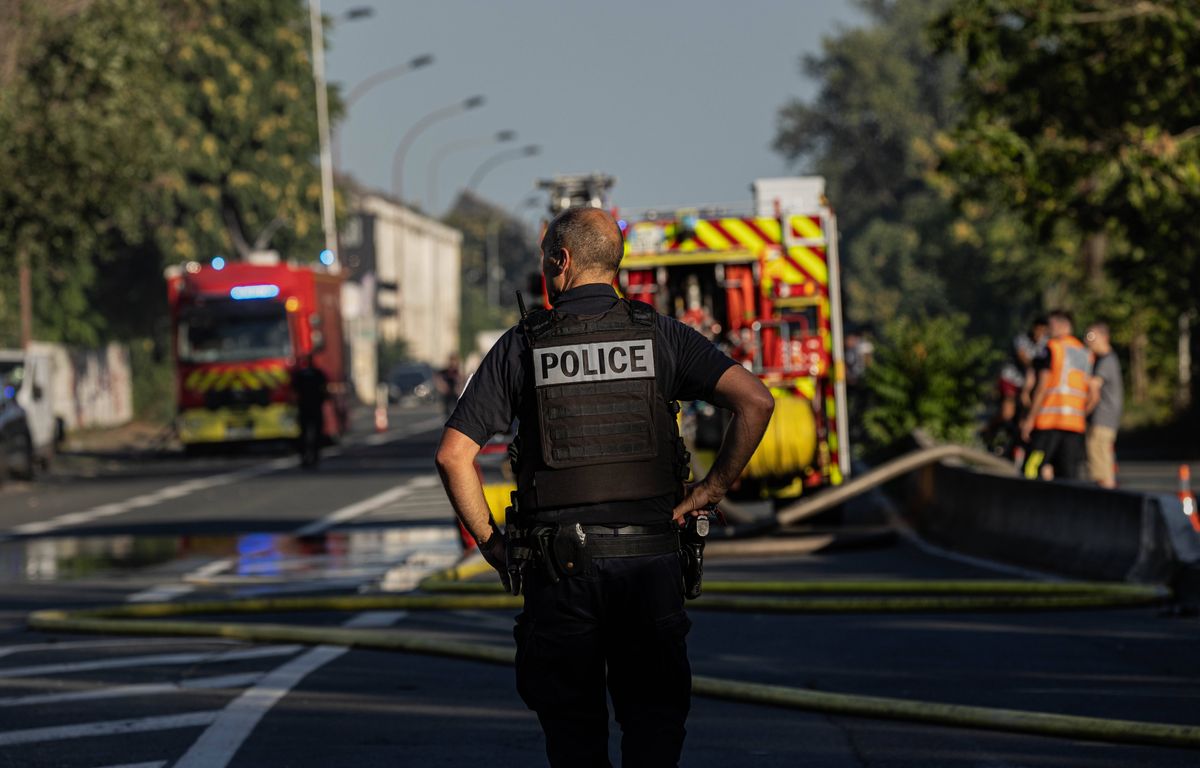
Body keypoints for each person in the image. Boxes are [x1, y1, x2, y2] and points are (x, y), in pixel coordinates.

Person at [434, 206, 774, 767]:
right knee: (654, 729)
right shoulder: (662, 336)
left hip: (558, 572)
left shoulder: (522, 347)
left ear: (561, 261)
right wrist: (712, 489)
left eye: (546, 259)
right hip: (651, 563)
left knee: (574, 738)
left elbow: (454, 455)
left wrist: (492, 545)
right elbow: (755, 401)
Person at [1020, 310, 1093, 481]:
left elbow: (1042, 387)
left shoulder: (1053, 348)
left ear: (1063, 325)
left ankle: (1030, 503)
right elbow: (1091, 392)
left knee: (1031, 468)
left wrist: (1030, 419)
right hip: (1075, 424)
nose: (1047, 330)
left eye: (1050, 326)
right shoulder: (1084, 353)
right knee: (1068, 476)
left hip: (1049, 421)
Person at [1085, 322, 1123, 488]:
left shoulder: (1106, 361)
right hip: (1107, 418)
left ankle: (1108, 499)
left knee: (1100, 467)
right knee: (1103, 464)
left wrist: (1083, 413)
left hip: (1102, 418)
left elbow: (1094, 389)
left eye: (1092, 337)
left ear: (1104, 337)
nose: (1089, 341)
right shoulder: (1106, 360)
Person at [292, 354, 328, 468]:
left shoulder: (300, 374)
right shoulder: (318, 373)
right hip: (315, 407)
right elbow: (324, 388)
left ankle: (304, 457)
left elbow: (294, 389)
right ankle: (315, 456)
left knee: (303, 433)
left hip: (304, 407)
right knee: (317, 433)